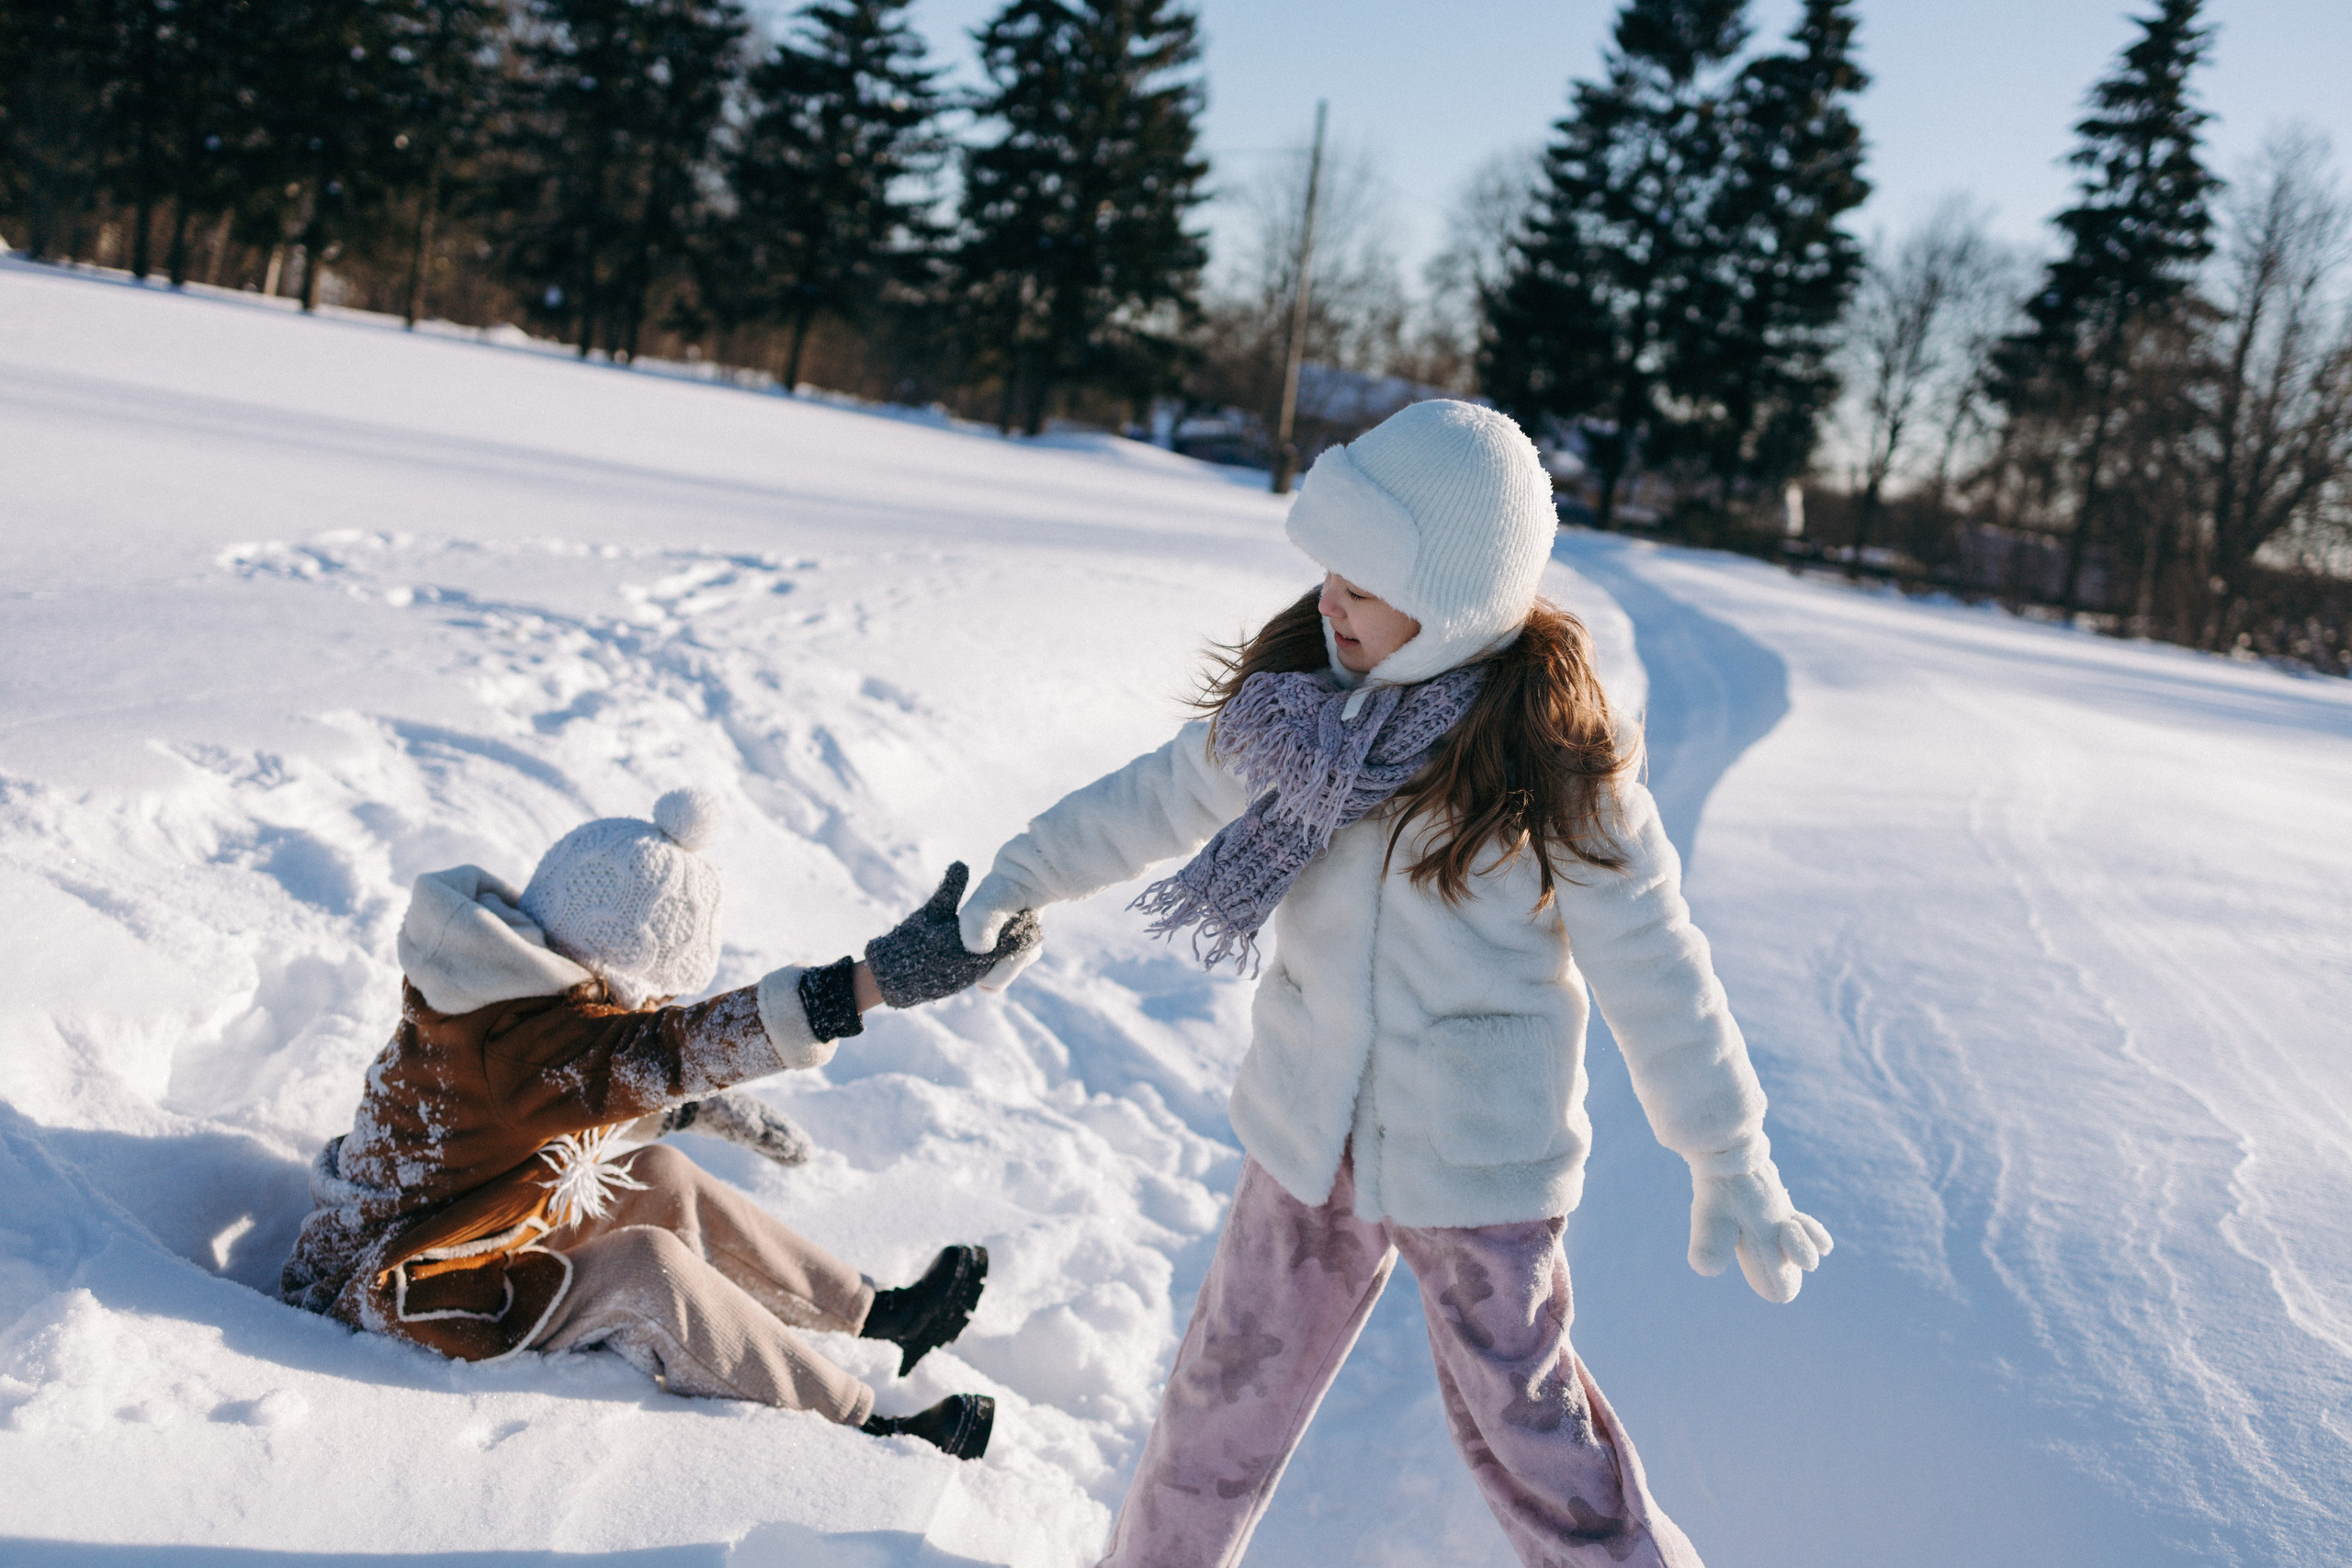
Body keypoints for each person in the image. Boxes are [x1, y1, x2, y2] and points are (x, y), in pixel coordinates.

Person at [953, 400, 1832, 1563]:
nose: (1329, 601)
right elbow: (1154, 798)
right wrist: (1026, 871)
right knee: (1219, 1405)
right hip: (1306, 1133)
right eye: (1328, 570)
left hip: (1479, 1158)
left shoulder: (1553, 770)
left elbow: (1658, 968)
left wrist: (1728, 1155)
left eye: (1361, 585)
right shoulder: (1294, 715)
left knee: (1529, 1431)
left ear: (1454, 602)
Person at [281, 787, 1037, 1461]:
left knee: (656, 1176)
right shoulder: (523, 1039)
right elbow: (658, 1050)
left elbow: (555, 1093)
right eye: (651, 996)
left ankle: (881, 1313)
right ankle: (861, 1430)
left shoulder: (500, 984)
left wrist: (684, 1106)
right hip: (401, 1285)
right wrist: (871, 984)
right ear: (612, 971)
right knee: (645, 1267)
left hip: (459, 1228)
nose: (652, 1010)